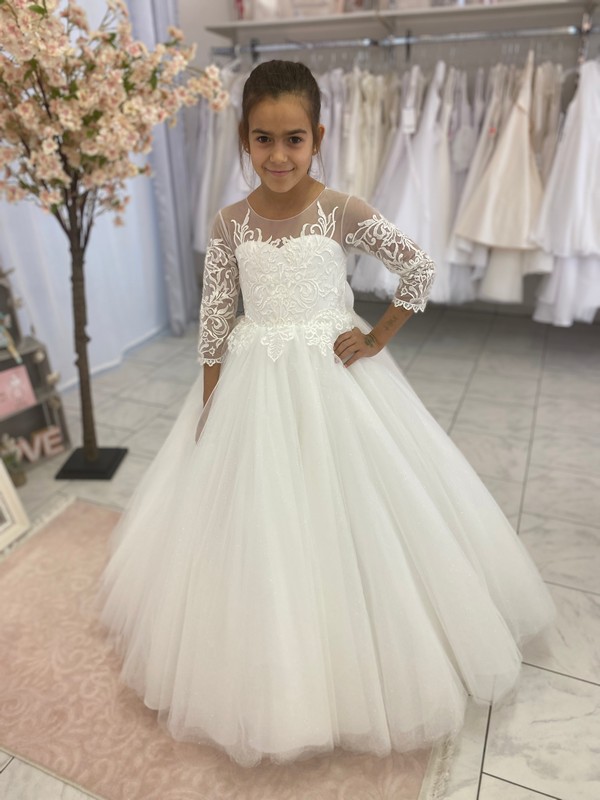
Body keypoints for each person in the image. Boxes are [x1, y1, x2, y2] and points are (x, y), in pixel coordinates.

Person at [99, 60, 554, 769]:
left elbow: (419, 267)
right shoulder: (230, 223)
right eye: (263, 139)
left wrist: (378, 335)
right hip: (254, 385)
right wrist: (211, 403)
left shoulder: (340, 208)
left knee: (360, 511)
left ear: (319, 136)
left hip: (335, 378)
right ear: (244, 139)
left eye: (294, 139)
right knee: (259, 522)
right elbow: (215, 321)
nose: (279, 155)